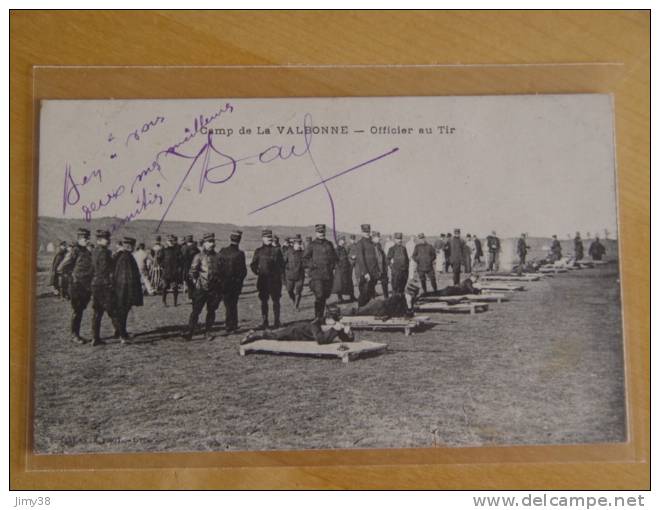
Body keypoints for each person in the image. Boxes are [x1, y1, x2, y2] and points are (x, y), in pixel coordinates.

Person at [240, 306, 354, 346]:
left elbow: (347, 340)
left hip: (300, 331)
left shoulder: (331, 324)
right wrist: (335, 329)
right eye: (335, 320)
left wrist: (348, 333)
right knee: (274, 336)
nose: (336, 322)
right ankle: (253, 336)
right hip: (295, 331)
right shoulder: (316, 324)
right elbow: (321, 340)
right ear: (329, 319)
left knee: (275, 334)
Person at [57, 228, 93, 344]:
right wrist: (71, 277)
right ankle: (74, 335)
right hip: (76, 286)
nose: (87, 240)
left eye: (88, 238)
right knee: (77, 310)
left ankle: (77, 334)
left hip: (85, 286)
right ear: (79, 238)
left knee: (81, 310)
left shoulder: (86, 251)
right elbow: (61, 268)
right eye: (85, 238)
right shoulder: (74, 251)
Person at [184, 233, 222, 341]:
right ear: (204, 243)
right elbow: (192, 272)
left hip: (214, 290)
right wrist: (196, 283)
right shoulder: (198, 256)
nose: (211, 244)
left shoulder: (218, 256)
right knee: (196, 311)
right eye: (209, 242)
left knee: (211, 311)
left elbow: (222, 272)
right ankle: (190, 332)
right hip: (201, 289)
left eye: (213, 242)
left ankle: (208, 332)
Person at [251, 229, 285, 329]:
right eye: (267, 237)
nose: (269, 239)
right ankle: (265, 322)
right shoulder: (258, 251)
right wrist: (258, 273)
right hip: (263, 281)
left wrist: (278, 274)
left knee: (276, 301)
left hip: (275, 281)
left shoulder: (277, 250)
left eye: (270, 237)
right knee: (264, 302)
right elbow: (253, 265)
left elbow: (282, 265)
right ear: (263, 238)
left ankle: (276, 321)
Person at [113, 237, 144, 342]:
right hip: (125, 290)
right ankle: (122, 335)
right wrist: (132, 292)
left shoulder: (122, 255)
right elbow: (128, 277)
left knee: (122, 312)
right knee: (123, 312)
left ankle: (121, 332)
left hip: (121, 289)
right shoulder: (126, 257)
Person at [303, 224, 338, 320]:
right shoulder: (312, 245)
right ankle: (318, 317)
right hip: (317, 275)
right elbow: (305, 259)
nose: (321, 234)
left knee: (325, 295)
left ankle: (321, 316)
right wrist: (312, 265)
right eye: (319, 232)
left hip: (328, 275)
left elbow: (335, 257)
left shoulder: (329, 244)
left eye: (322, 232)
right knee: (320, 295)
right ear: (316, 233)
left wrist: (333, 266)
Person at [217, 230, 248, 334]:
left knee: (227, 304)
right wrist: (239, 282)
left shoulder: (222, 251)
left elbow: (218, 267)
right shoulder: (240, 254)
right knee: (233, 304)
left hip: (224, 283)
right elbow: (243, 271)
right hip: (235, 284)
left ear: (230, 238)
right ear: (239, 240)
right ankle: (232, 325)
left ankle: (229, 325)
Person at [90, 230, 117, 346]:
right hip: (104, 285)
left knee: (97, 312)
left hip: (95, 284)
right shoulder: (105, 252)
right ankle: (121, 333)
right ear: (99, 240)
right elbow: (106, 269)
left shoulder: (94, 251)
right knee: (113, 309)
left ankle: (95, 338)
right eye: (107, 239)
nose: (109, 240)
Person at [341, 281, 420, 320]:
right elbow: (394, 312)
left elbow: (407, 315)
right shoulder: (398, 297)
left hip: (379, 307)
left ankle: (340, 311)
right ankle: (339, 312)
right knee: (358, 312)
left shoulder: (406, 299)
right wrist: (409, 306)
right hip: (378, 307)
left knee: (359, 311)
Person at [354, 224, 380, 306]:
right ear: (361, 232)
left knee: (371, 294)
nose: (367, 233)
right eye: (365, 232)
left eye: (368, 231)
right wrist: (365, 273)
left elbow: (376, 258)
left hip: (373, 273)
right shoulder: (360, 243)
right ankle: (360, 311)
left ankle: (368, 312)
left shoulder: (372, 243)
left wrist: (377, 271)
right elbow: (361, 260)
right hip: (366, 274)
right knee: (364, 294)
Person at [158, 234, 182, 307]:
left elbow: (180, 259)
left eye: (172, 240)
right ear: (167, 241)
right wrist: (162, 265)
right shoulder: (163, 249)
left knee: (175, 287)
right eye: (169, 240)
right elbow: (159, 258)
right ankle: (164, 301)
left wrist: (179, 267)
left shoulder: (177, 249)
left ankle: (175, 302)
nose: (171, 242)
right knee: (165, 287)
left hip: (174, 272)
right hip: (166, 271)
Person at [284, 234, 306, 309]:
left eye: (300, 244)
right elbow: (283, 262)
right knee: (289, 291)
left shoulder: (303, 253)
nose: (298, 245)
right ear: (293, 244)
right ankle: (294, 301)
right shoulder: (288, 252)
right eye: (297, 244)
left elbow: (306, 263)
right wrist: (287, 268)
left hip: (300, 276)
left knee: (298, 292)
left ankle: (296, 306)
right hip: (290, 276)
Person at [332, 235, 355, 303]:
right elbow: (335, 259)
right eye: (342, 240)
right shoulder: (336, 249)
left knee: (349, 283)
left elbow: (346, 256)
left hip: (346, 268)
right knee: (339, 284)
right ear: (339, 241)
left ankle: (352, 297)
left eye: (344, 240)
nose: (344, 241)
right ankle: (340, 298)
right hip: (340, 269)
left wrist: (350, 258)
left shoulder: (344, 248)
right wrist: (340, 264)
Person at [181, 234, 200, 299]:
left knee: (188, 280)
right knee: (193, 280)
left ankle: (190, 294)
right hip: (194, 265)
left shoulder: (183, 247)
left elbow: (181, 257)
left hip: (186, 266)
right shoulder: (195, 247)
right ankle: (192, 294)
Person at [372, 231, 389, 299]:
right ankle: (372, 300)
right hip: (375, 269)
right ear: (374, 238)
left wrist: (386, 266)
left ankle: (386, 298)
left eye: (379, 237)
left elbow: (383, 256)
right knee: (372, 285)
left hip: (382, 269)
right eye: (378, 237)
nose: (379, 238)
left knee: (385, 283)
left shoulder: (379, 245)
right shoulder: (370, 246)